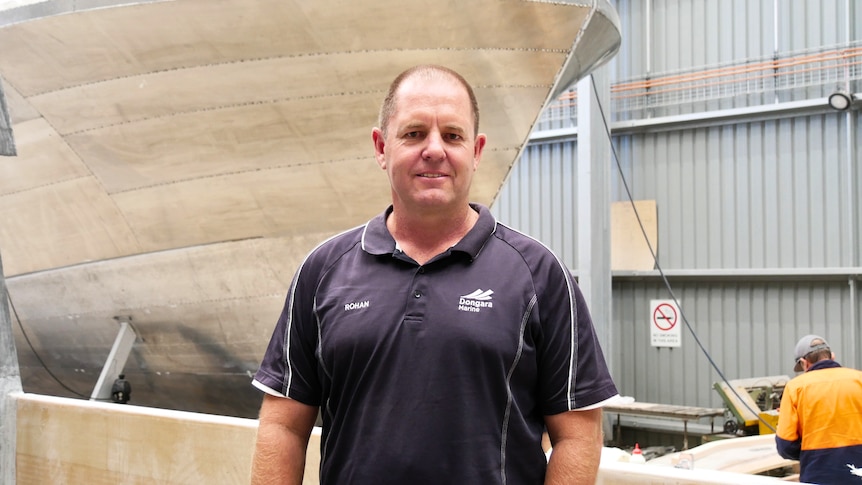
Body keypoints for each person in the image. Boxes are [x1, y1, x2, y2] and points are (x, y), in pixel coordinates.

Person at [250, 64, 619, 484]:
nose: (434, 149)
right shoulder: (323, 271)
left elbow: (578, 434)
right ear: (381, 147)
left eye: (453, 136)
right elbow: (283, 426)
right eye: (413, 133)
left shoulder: (540, 275)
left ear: (476, 151)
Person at [776, 334, 862, 484]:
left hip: (818, 474)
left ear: (804, 363)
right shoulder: (859, 379)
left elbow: (786, 446)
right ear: (832, 357)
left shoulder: (795, 387)